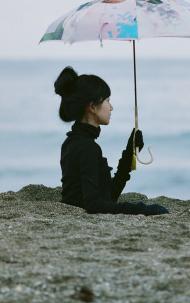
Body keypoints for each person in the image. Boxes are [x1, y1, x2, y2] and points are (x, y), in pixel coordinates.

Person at [54, 66, 169, 216]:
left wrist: (129, 153)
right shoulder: (86, 147)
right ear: (92, 107)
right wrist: (139, 209)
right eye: (107, 100)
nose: (111, 107)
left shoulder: (72, 142)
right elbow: (94, 204)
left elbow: (107, 197)